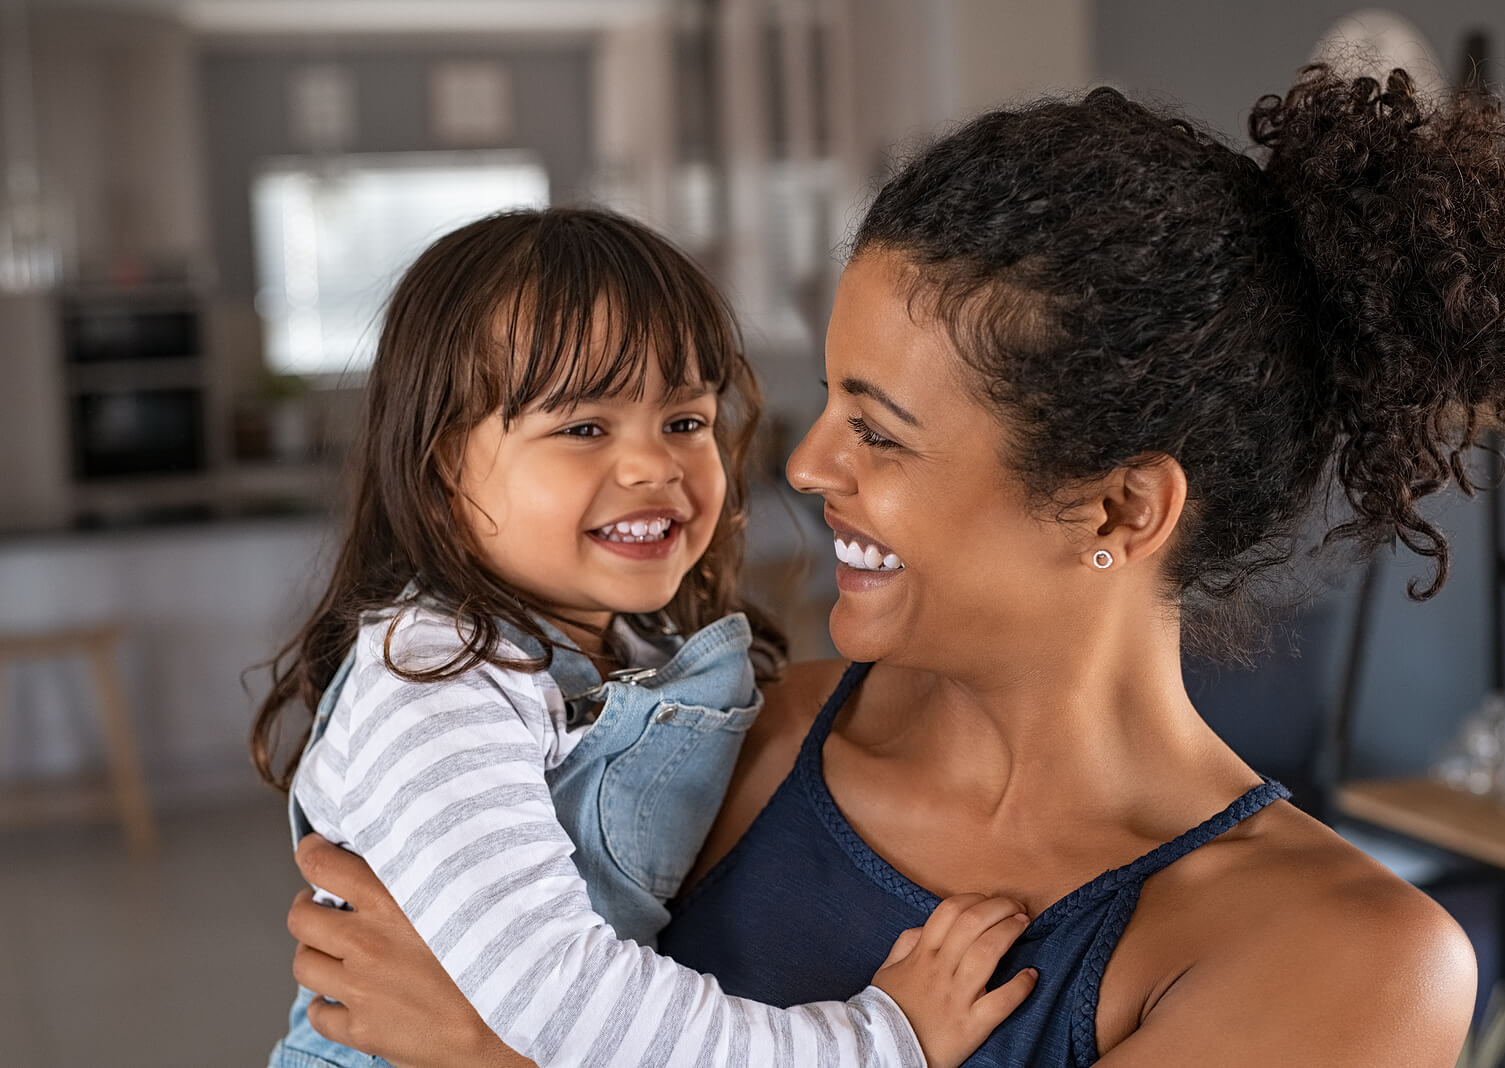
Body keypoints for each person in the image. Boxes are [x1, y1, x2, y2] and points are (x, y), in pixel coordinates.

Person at [282, 67, 1505, 1067]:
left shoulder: (1346, 957)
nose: (804, 470)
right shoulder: (726, 735)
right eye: (828, 402)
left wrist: (493, 1056)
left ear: (1121, 505)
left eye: (882, 431)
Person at [251, 207, 1038, 1068]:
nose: (654, 465)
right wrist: (877, 1044)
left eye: (685, 421)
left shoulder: (638, 654)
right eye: (584, 428)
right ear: (445, 463)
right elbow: (563, 996)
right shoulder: (439, 682)